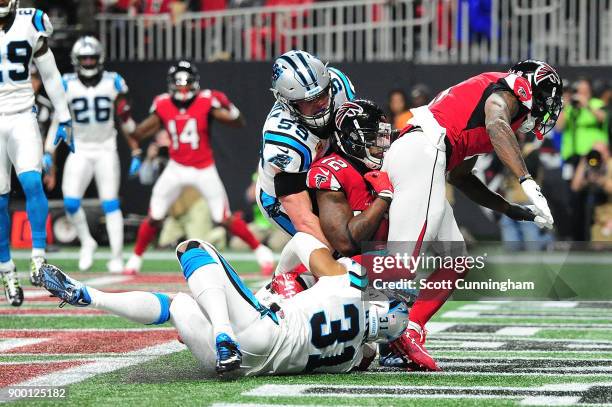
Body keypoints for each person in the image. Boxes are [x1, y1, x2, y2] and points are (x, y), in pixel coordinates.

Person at [382, 59, 562, 370]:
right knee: (403, 254)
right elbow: (497, 124)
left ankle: (409, 329)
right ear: (528, 86)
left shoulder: (487, 108)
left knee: (456, 259)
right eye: (546, 95)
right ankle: (386, 332)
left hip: (425, 156)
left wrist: (512, 209)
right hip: (422, 152)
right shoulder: (501, 96)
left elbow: (462, 176)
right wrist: (526, 179)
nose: (547, 106)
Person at [40, 233, 409, 375]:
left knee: (193, 249)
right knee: (178, 306)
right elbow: (366, 352)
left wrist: (277, 280)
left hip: (262, 332)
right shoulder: (350, 361)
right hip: (241, 370)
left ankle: (222, 332)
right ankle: (92, 295)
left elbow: (299, 239)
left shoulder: (344, 280)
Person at [124, 60, 274, 275]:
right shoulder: (163, 104)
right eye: (179, 84)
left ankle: (261, 252)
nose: (182, 89)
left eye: (186, 84)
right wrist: (126, 120)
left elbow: (237, 122)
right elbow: (138, 133)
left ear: (194, 83)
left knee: (223, 216)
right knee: (155, 214)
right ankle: (136, 259)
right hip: (176, 167)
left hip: (203, 168)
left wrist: (228, 106)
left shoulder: (205, 101)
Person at [43, 36, 139, 273]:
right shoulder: (66, 83)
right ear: (76, 60)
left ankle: (117, 256)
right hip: (80, 148)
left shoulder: (113, 82)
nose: (88, 62)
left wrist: (136, 148)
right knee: (71, 201)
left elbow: (124, 119)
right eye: (84, 58)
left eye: (91, 58)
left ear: (100, 59)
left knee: (110, 202)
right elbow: (58, 122)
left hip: (106, 148)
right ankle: (87, 241)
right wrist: (48, 152)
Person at [0, 2, 73, 306]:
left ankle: (38, 257)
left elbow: (51, 74)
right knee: (0, 197)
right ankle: (6, 270)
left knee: (32, 182)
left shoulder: (32, 21)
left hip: (21, 115)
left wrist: (65, 115)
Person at [257, 50, 355, 240]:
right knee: (330, 250)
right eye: (308, 101)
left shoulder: (337, 84)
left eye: (322, 94)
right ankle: (286, 270)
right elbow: (304, 220)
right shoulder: (284, 140)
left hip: (326, 167)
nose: (321, 104)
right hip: (283, 194)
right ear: (287, 103)